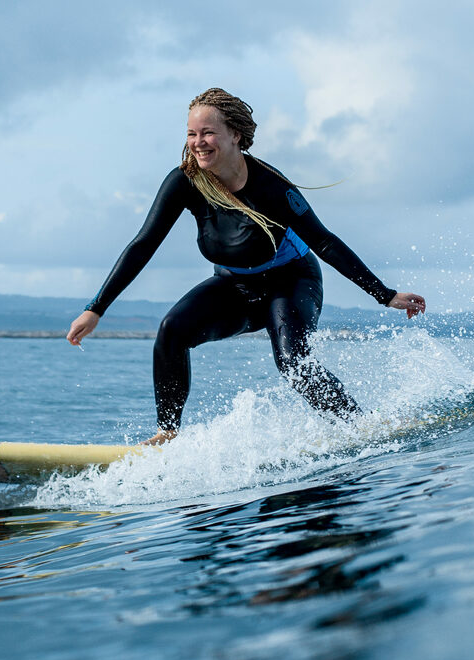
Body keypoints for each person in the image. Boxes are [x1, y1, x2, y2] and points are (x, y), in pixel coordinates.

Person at [67, 88, 426, 445]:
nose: (198, 142)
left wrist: (386, 295)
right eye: (192, 134)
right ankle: (167, 434)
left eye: (208, 133)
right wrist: (95, 309)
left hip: (291, 282)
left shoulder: (272, 187)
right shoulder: (185, 182)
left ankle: (359, 427)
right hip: (234, 287)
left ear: (235, 135)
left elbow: (325, 241)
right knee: (171, 330)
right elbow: (143, 244)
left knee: (292, 363)